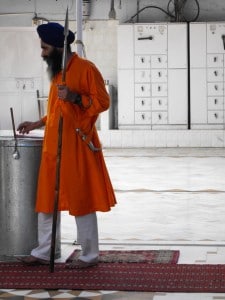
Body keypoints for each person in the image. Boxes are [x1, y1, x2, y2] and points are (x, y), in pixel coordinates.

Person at [17, 22, 116, 269]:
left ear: (59, 48)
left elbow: (102, 102)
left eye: (45, 48)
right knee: (46, 199)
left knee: (81, 200)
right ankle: (42, 252)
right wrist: (37, 122)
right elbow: (57, 112)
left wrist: (75, 97)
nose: (42, 53)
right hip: (53, 146)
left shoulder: (85, 68)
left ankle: (89, 255)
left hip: (77, 146)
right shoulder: (57, 73)